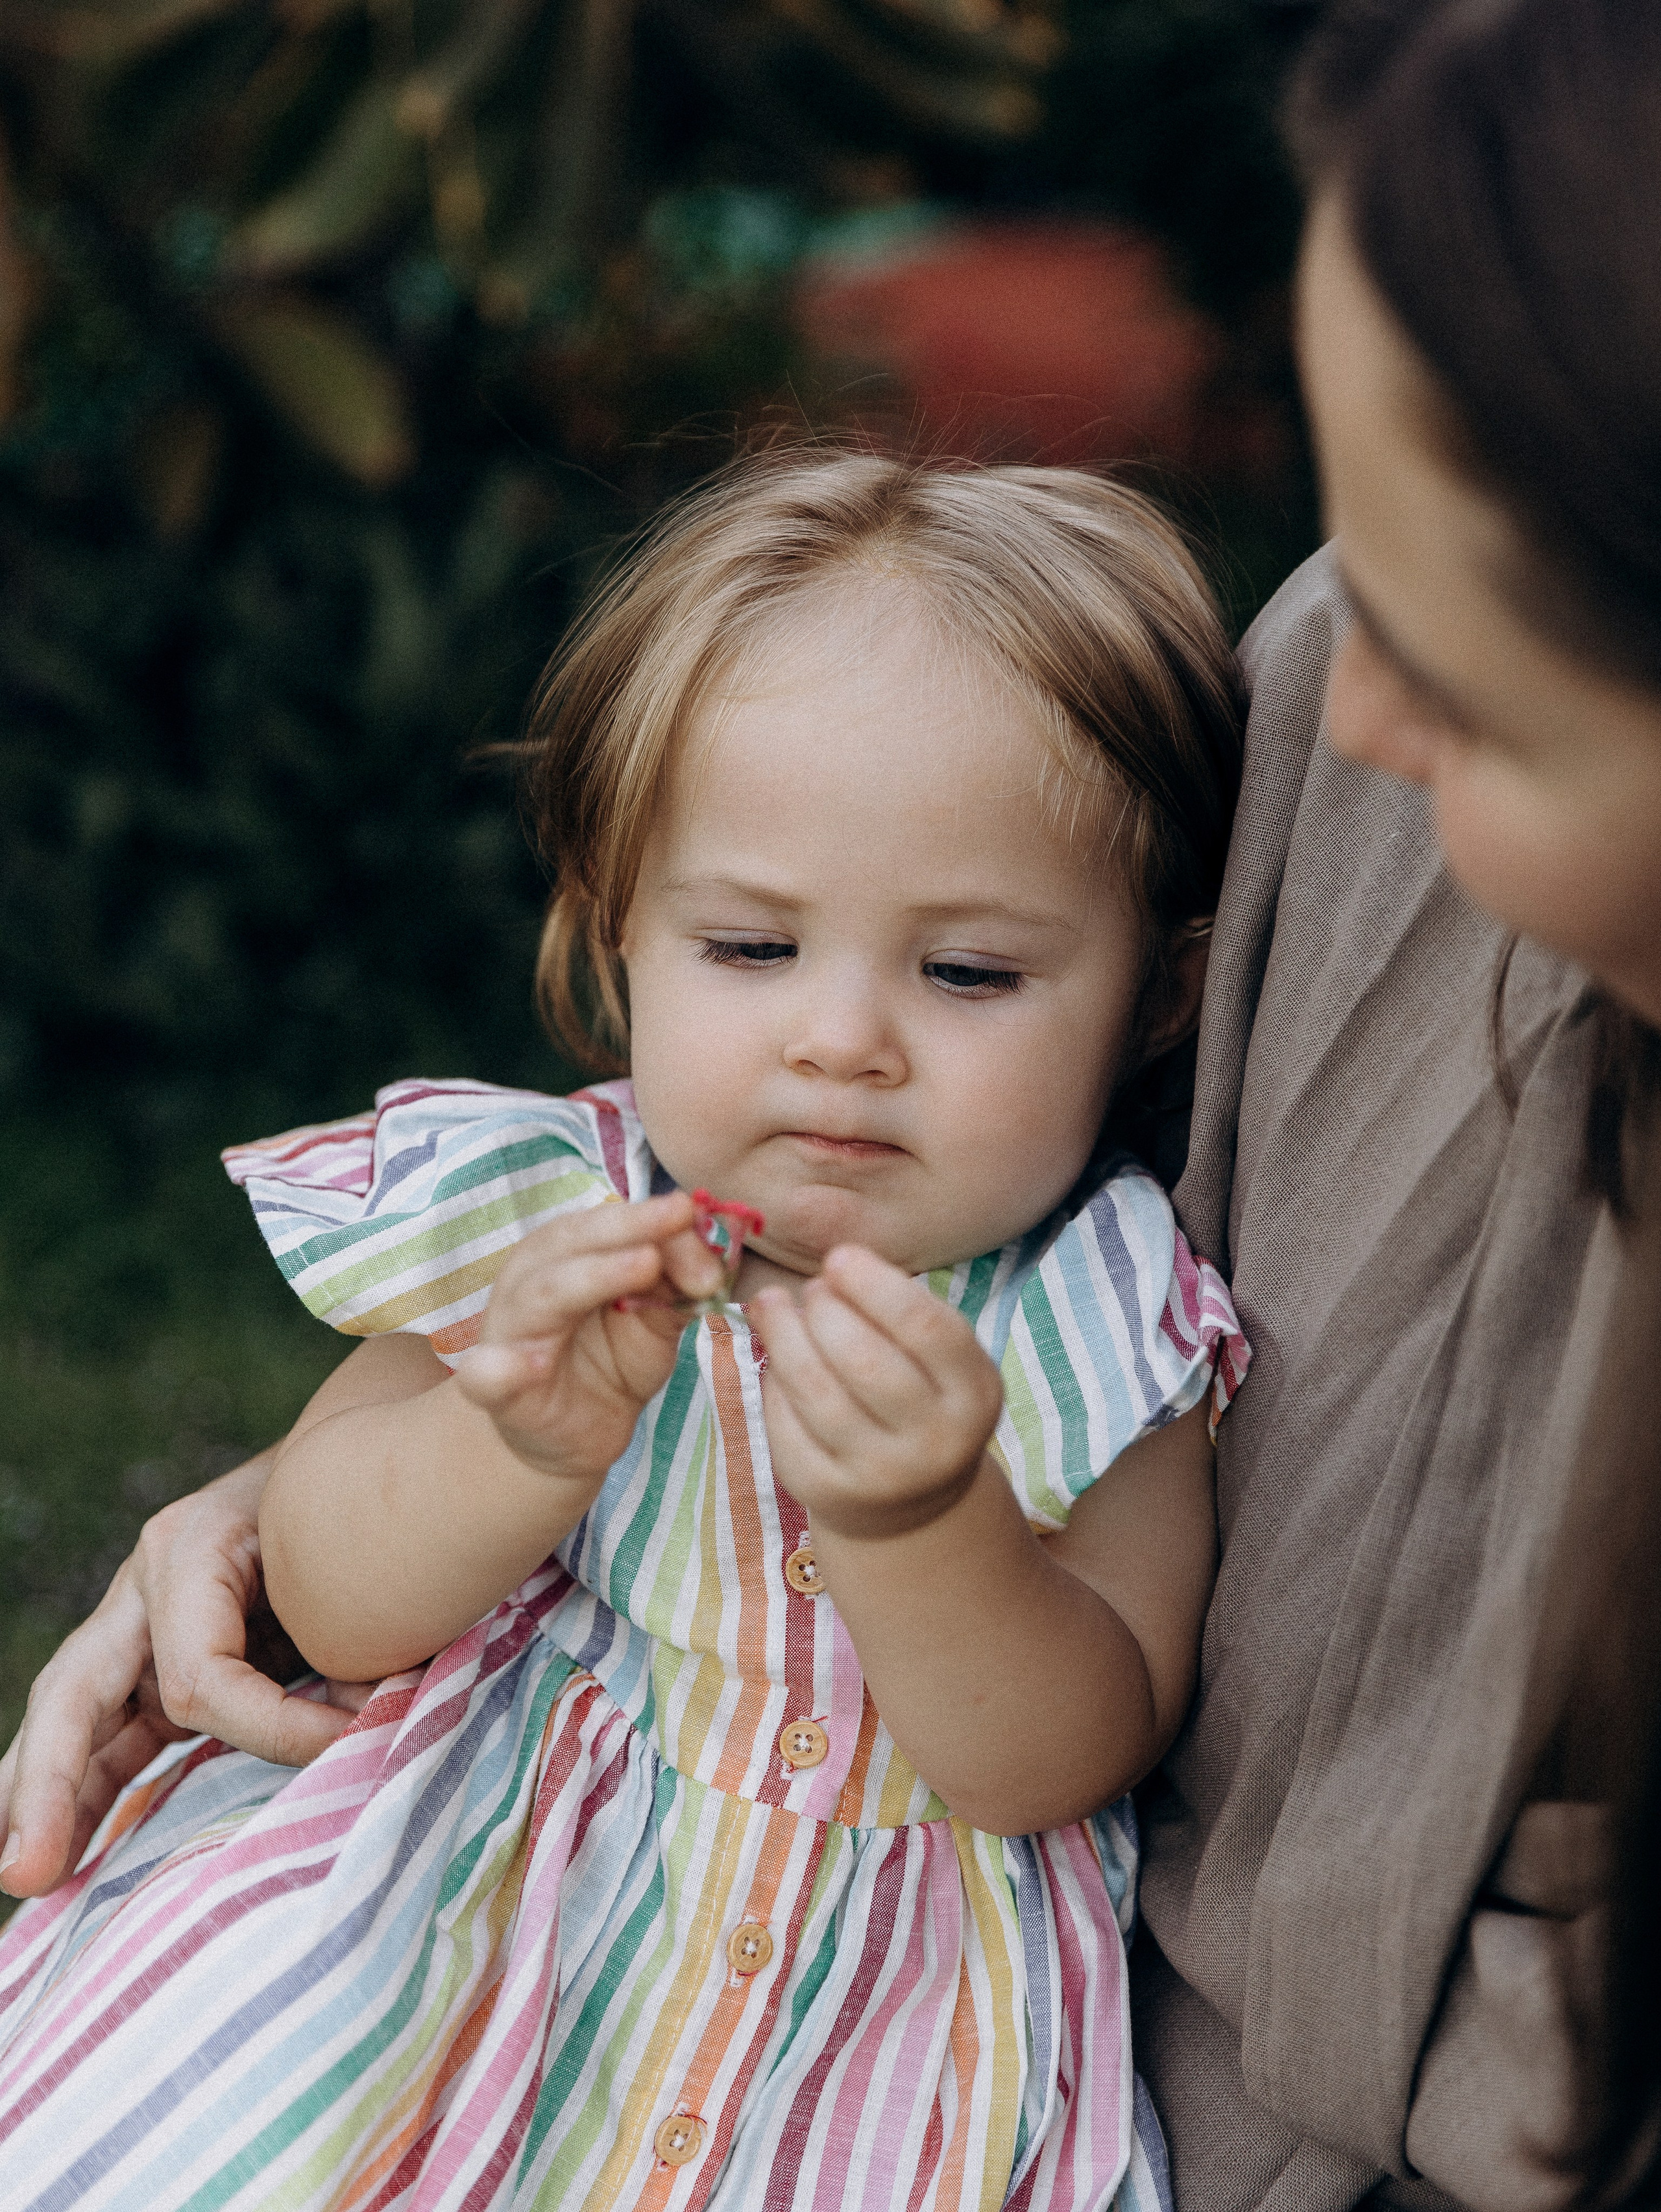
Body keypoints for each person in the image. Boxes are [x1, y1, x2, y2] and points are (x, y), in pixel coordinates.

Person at [0, 453, 1251, 2210]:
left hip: (869, 2039)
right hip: (466, 1933)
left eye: (967, 972)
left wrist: (924, 1525)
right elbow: (329, 1594)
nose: (843, 1037)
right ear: (616, 931)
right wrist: (512, 1441)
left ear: (1156, 997)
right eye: (750, 943)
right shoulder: (546, 1218)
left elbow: (1062, 1747)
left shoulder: (1109, 1315)